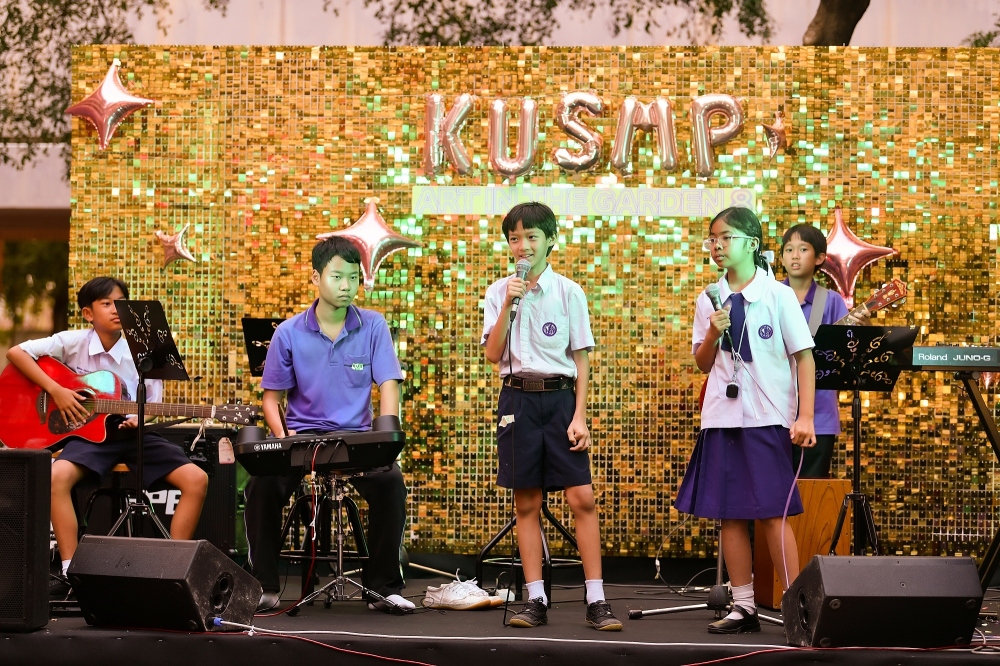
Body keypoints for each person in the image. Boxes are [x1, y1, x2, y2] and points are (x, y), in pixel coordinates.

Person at [6, 276, 208, 598]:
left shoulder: (144, 350)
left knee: (197, 479)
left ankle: (175, 569)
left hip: (132, 436)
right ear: (88, 313)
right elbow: (16, 353)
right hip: (88, 437)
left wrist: (139, 420)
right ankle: (71, 569)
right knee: (56, 477)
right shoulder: (72, 342)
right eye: (107, 304)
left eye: (121, 303)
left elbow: (152, 404)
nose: (116, 310)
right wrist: (57, 391)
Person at [244, 236, 410, 614]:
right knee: (260, 485)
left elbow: (389, 384)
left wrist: (387, 437)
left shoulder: (373, 325)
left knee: (390, 483)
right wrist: (282, 439)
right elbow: (271, 398)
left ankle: (383, 588)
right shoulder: (288, 332)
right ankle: (264, 586)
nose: (347, 286)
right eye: (337, 277)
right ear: (316, 277)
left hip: (356, 439)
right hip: (302, 439)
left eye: (353, 277)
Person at [675, 207, 817, 634]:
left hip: (767, 418)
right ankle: (743, 605)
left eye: (726, 238)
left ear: (752, 244)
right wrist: (713, 333)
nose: (717, 246)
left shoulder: (778, 295)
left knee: (773, 513)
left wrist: (805, 416)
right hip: (722, 417)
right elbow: (703, 363)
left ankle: (797, 607)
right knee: (730, 514)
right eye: (712, 239)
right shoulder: (709, 297)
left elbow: (804, 358)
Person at [482, 201, 622, 631]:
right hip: (517, 400)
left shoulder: (568, 292)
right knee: (527, 503)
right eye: (514, 238)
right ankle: (535, 599)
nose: (522, 246)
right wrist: (508, 303)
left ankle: (596, 599)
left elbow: (581, 360)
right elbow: (492, 354)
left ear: (550, 241)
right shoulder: (498, 292)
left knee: (582, 498)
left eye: (531, 237)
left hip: (560, 400)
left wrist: (579, 416)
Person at [780, 223, 854, 479]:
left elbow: (846, 353)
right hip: (772, 413)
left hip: (819, 417)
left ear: (820, 258)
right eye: (789, 249)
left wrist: (858, 328)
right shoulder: (769, 296)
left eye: (803, 249)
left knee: (810, 493)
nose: (795, 255)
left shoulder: (831, 301)